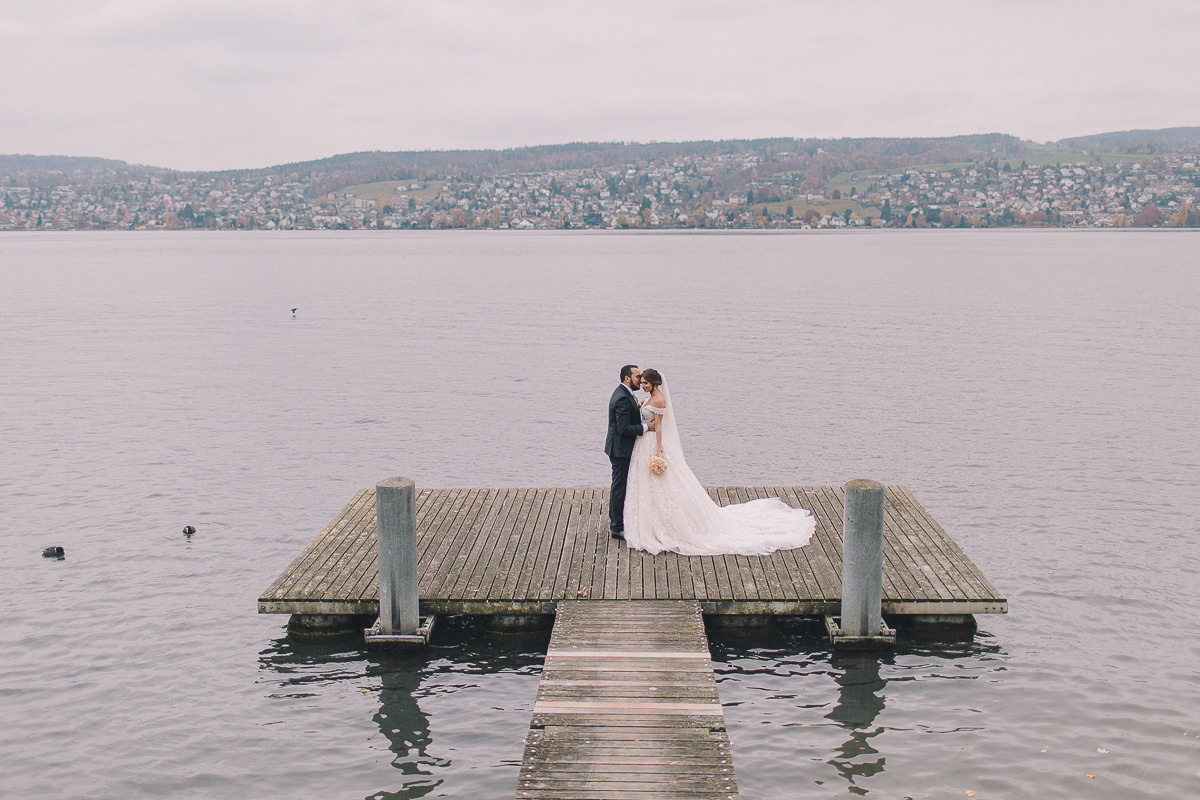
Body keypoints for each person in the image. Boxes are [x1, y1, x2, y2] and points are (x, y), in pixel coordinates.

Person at [623, 368, 815, 555]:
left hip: (652, 443)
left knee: (661, 483)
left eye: (646, 383)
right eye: (642, 382)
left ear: (655, 383)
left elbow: (658, 428)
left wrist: (658, 452)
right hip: (643, 443)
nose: (643, 385)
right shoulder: (649, 398)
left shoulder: (660, 400)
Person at [604, 364, 648, 539]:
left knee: (620, 485)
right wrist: (646, 427)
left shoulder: (624, 394)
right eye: (638, 377)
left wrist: (640, 405)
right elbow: (623, 428)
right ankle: (616, 526)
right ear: (627, 378)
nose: (641, 379)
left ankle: (619, 520)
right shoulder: (622, 398)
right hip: (620, 449)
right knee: (619, 486)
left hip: (620, 447)